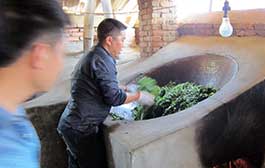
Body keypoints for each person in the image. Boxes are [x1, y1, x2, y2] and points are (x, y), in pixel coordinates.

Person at [57, 18, 153, 168]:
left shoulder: (95, 55)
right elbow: (114, 98)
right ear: (109, 40)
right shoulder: (102, 61)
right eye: (122, 40)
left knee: (77, 163)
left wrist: (122, 87)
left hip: (72, 123)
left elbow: (96, 84)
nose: (123, 45)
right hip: (80, 128)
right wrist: (139, 96)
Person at [0, 0, 70, 168]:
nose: (61, 64)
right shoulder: (9, 154)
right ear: (41, 55)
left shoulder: (12, 108)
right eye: (62, 53)